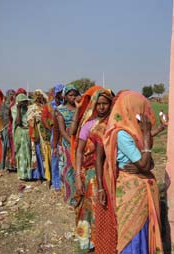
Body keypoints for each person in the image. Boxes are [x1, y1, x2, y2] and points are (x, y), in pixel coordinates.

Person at [97, 90, 163, 254]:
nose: (143, 114)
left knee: (140, 229)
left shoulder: (133, 132)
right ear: (130, 110)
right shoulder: (122, 135)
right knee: (132, 231)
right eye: (139, 109)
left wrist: (145, 164)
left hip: (138, 187)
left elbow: (148, 164)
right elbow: (145, 163)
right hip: (131, 189)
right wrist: (147, 135)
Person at [72, 86, 113, 252]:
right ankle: (88, 241)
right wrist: (77, 176)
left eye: (105, 104)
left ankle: (103, 241)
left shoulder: (113, 124)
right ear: (94, 105)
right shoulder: (89, 125)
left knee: (103, 208)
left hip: (108, 174)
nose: (102, 107)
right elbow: (79, 151)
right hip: (90, 174)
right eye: (99, 104)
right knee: (89, 209)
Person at [56, 84, 80, 204]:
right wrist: (72, 142)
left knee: (79, 169)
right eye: (71, 95)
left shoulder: (80, 108)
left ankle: (80, 195)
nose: (73, 97)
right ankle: (70, 197)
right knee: (68, 169)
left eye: (75, 95)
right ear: (65, 96)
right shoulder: (60, 110)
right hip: (68, 144)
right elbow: (62, 130)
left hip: (80, 143)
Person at [41, 84, 64, 190]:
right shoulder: (49, 106)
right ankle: (56, 183)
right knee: (55, 159)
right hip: (54, 134)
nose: (62, 95)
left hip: (65, 135)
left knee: (64, 159)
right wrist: (51, 129)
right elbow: (44, 118)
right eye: (60, 93)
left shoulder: (65, 105)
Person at [27, 89, 48, 181]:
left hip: (45, 132)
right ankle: (38, 175)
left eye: (40, 96)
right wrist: (37, 120)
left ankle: (46, 175)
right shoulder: (32, 107)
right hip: (36, 133)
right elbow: (29, 121)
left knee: (45, 152)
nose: (39, 98)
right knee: (37, 152)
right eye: (37, 96)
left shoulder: (45, 107)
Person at [12, 93, 32, 180]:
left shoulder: (28, 109)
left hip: (27, 132)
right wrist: (18, 108)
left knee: (28, 154)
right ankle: (22, 174)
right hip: (20, 133)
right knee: (21, 154)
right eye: (23, 102)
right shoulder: (14, 109)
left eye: (26, 102)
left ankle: (29, 174)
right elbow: (18, 122)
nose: (26, 103)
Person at [0, 89, 16, 170]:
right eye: (10, 95)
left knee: (14, 147)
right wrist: (3, 127)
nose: (12, 96)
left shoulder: (15, 105)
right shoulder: (3, 105)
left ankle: (13, 166)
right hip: (6, 128)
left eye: (13, 95)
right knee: (6, 147)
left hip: (14, 128)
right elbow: (1, 117)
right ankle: (6, 166)